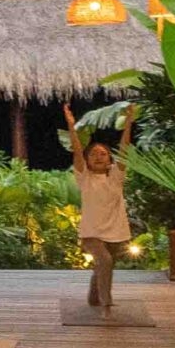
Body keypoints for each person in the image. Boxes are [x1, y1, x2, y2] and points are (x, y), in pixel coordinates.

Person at [65, 103, 138, 316]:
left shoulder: (116, 177)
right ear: (87, 161)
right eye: (94, 154)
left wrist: (128, 125)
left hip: (115, 231)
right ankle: (107, 304)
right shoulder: (84, 178)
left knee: (106, 265)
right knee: (104, 261)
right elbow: (77, 151)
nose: (98, 156)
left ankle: (94, 295)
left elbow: (125, 148)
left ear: (110, 159)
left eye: (103, 154)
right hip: (92, 233)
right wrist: (71, 126)